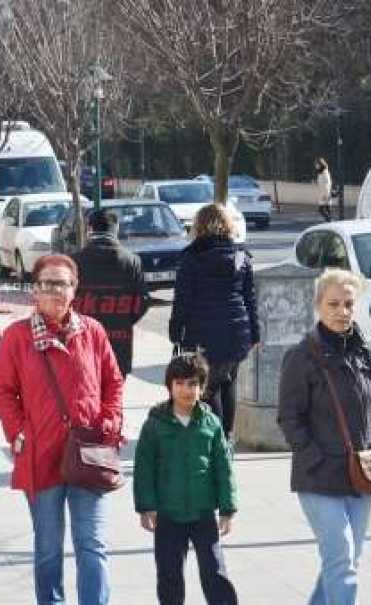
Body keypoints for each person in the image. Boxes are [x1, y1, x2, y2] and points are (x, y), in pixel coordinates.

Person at [0, 254, 124, 605]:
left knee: (92, 545)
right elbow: (2, 391)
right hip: (41, 456)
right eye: (47, 283)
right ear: (34, 290)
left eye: (62, 283)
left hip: (89, 453)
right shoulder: (17, 337)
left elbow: (113, 382)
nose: (55, 291)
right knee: (48, 549)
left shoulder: (93, 332)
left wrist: (109, 423)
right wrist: (19, 432)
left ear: (74, 289)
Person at [277, 268, 371, 605]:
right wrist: (315, 457)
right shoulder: (301, 357)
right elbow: (289, 416)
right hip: (319, 478)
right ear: (318, 306)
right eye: (333, 304)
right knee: (341, 560)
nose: (342, 311)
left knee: (346, 560)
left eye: (348, 304)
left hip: (364, 476)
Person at [133, 352, 238, 605]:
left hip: (203, 514)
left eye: (192, 384)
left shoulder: (211, 423)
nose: (186, 390)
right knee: (169, 575)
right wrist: (146, 506)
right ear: (169, 386)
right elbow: (143, 467)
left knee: (215, 572)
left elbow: (223, 467)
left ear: (202, 388)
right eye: (179, 383)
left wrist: (227, 507)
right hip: (168, 515)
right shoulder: (155, 424)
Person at [169, 204, 259, 440]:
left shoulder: (191, 257)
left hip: (203, 332)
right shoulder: (241, 256)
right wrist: (255, 334)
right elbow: (250, 298)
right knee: (228, 382)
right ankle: (227, 436)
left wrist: (175, 331)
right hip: (238, 332)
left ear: (199, 226)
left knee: (208, 388)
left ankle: (217, 439)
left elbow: (182, 300)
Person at [71, 209, 149, 376]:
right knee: (114, 396)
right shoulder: (132, 261)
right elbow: (142, 300)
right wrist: (124, 320)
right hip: (119, 341)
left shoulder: (75, 261)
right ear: (116, 229)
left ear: (89, 229)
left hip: (84, 340)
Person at [316, 158, 333, 222]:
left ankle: (329, 220)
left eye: (317, 164)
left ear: (320, 164)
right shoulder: (322, 172)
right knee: (327, 208)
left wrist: (325, 194)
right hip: (325, 192)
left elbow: (327, 183)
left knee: (321, 209)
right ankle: (329, 221)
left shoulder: (324, 173)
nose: (316, 166)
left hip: (325, 193)